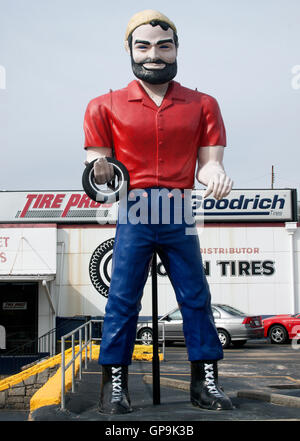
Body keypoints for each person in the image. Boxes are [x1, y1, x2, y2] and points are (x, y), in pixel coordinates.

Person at [84, 9, 234, 414]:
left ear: (176, 49)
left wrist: (215, 171)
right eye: (144, 45)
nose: (154, 54)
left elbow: (209, 162)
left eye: (164, 46)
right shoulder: (104, 106)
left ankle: (205, 382)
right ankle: (114, 385)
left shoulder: (203, 104)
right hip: (133, 207)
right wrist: (101, 173)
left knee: (195, 295)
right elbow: (99, 175)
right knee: (122, 297)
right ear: (130, 50)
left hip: (180, 207)